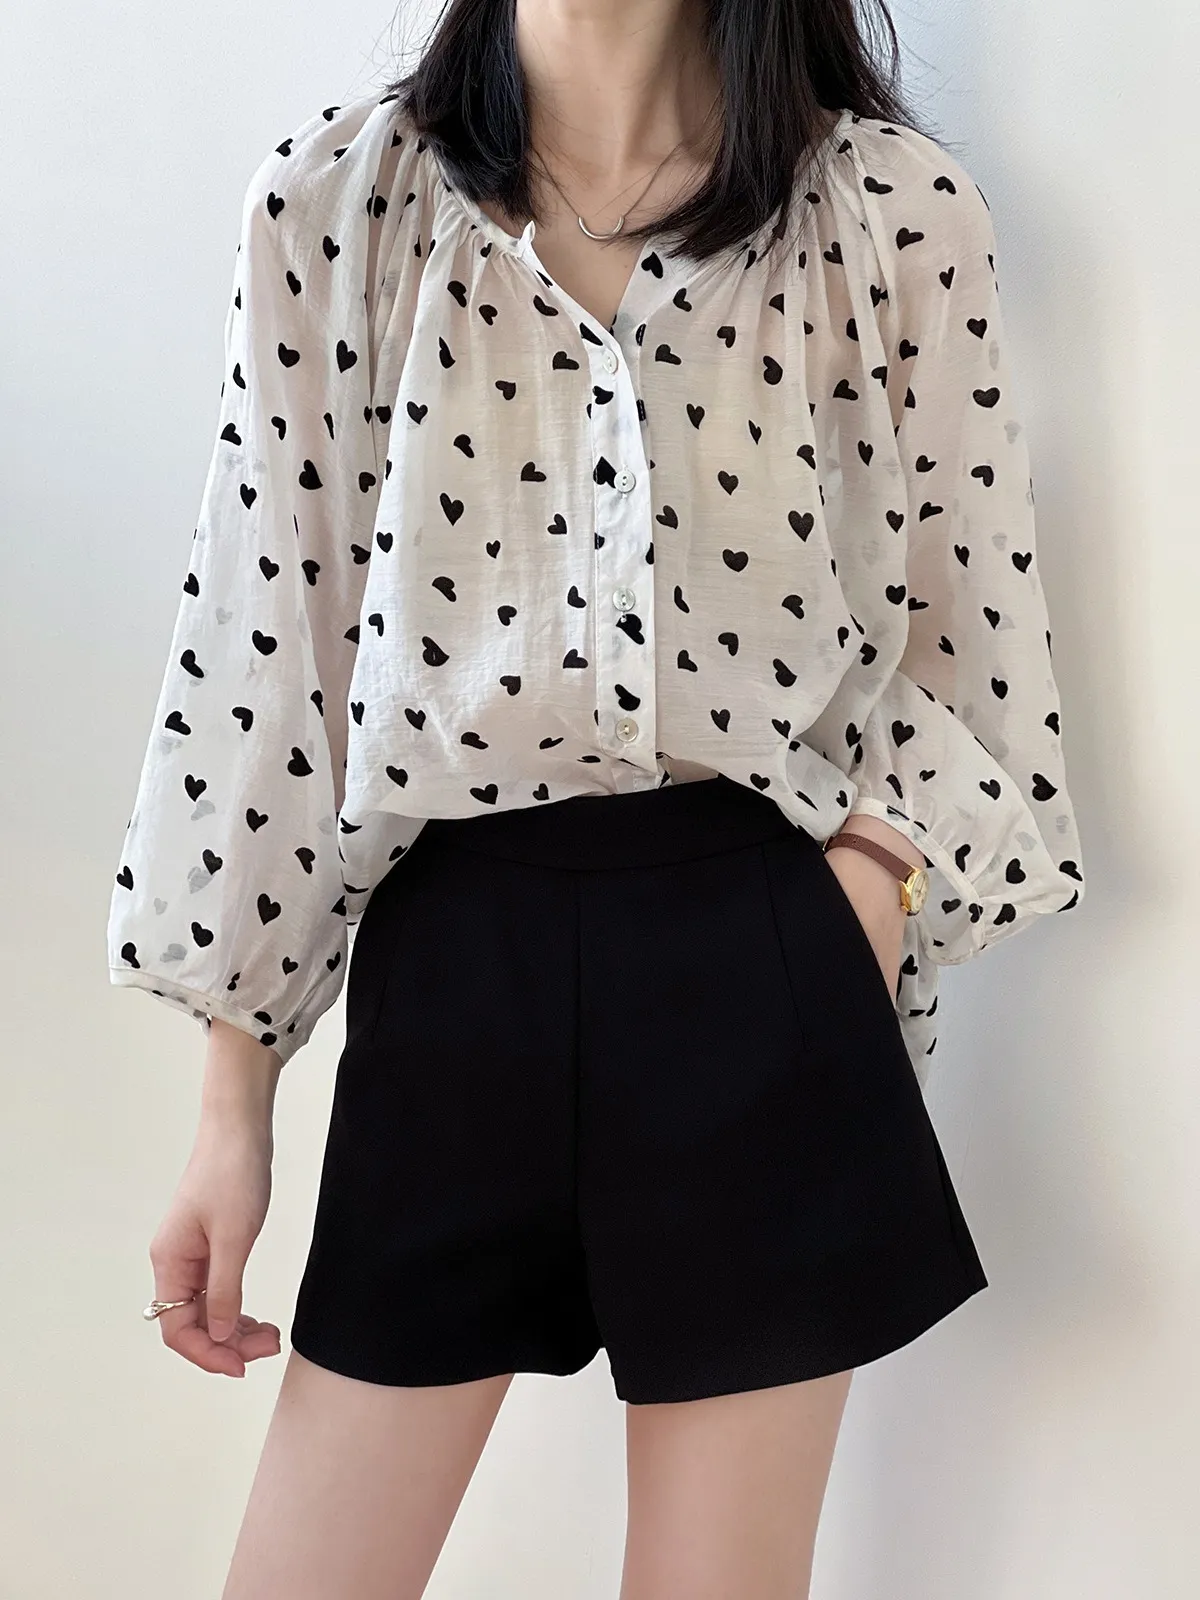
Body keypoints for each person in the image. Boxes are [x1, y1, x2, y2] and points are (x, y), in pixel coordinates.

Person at [107, 0, 1084, 1592]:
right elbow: (268, 663)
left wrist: (864, 897)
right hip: (457, 971)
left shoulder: (886, 211)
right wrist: (234, 1110)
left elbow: (975, 640)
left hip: (764, 958)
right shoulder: (338, 208)